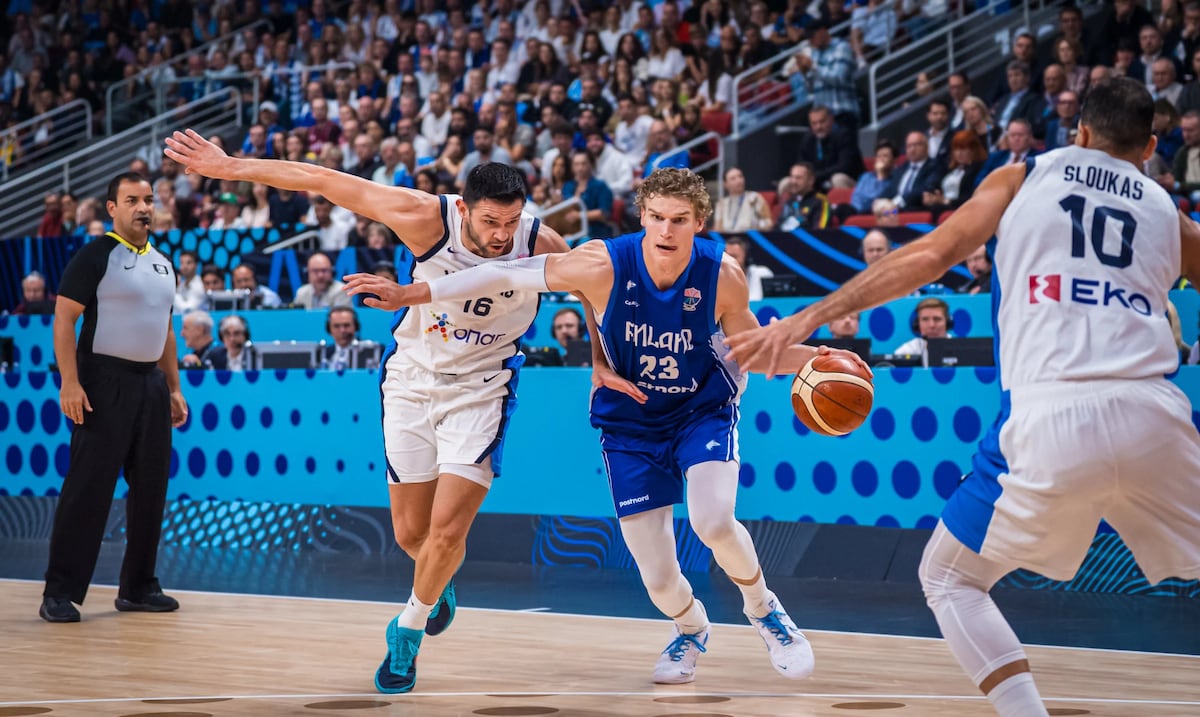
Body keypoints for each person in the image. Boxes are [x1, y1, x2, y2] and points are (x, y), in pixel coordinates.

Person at [726, 78, 1200, 717]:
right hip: (1155, 412)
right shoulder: (1167, 211)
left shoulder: (1022, 176)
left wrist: (811, 317)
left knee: (949, 579)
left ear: (1079, 132)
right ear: (1148, 146)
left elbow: (931, 254)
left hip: (1050, 413)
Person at [343, 167, 871, 687]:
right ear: (642, 216)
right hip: (631, 424)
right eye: (658, 218)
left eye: (680, 220)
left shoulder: (722, 275)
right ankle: (690, 627)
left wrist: (815, 358)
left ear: (700, 223)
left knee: (712, 520)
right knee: (660, 579)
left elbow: (753, 351)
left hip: (699, 411)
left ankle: (764, 611)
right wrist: (411, 294)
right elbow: (506, 274)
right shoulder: (601, 264)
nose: (667, 230)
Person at [165, 129, 570, 695]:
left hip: (484, 387)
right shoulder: (424, 216)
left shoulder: (540, 241)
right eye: (489, 224)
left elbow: (598, 291)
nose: (501, 236)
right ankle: (435, 583)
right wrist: (232, 168)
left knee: (448, 531)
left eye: (511, 222)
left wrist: (602, 364)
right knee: (412, 535)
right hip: (411, 379)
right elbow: (323, 179)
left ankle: (406, 632)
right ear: (462, 208)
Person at [40, 172, 189, 623]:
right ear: (112, 208)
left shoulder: (165, 263)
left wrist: (174, 387)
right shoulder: (94, 255)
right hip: (102, 382)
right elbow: (64, 319)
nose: (143, 208)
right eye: (132, 200)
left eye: (148, 200)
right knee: (89, 488)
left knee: (150, 490)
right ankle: (60, 593)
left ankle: (139, 587)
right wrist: (71, 382)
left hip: (150, 385)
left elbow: (165, 330)